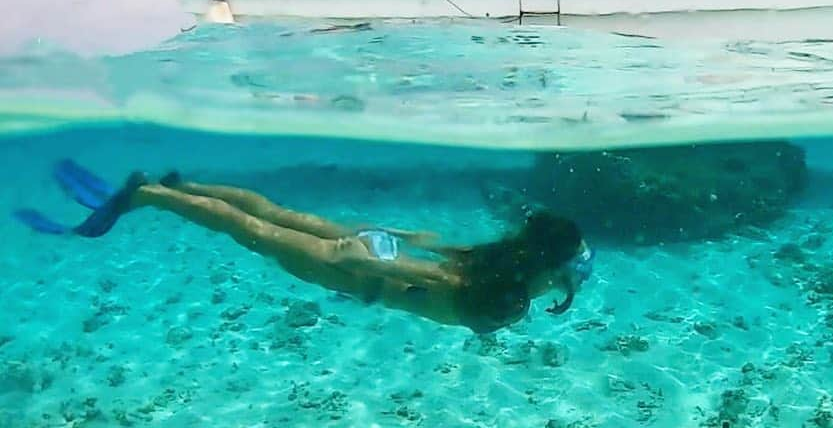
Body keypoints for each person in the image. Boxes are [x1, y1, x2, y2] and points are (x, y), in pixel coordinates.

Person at [13, 161, 595, 334]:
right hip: (360, 270)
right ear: (547, 269)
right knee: (254, 232)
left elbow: (438, 263)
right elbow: (434, 279)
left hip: (378, 250)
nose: (560, 287)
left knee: (275, 213)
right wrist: (357, 257)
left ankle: (181, 186)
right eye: (565, 278)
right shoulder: (501, 288)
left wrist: (391, 241)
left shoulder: (503, 263)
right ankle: (148, 197)